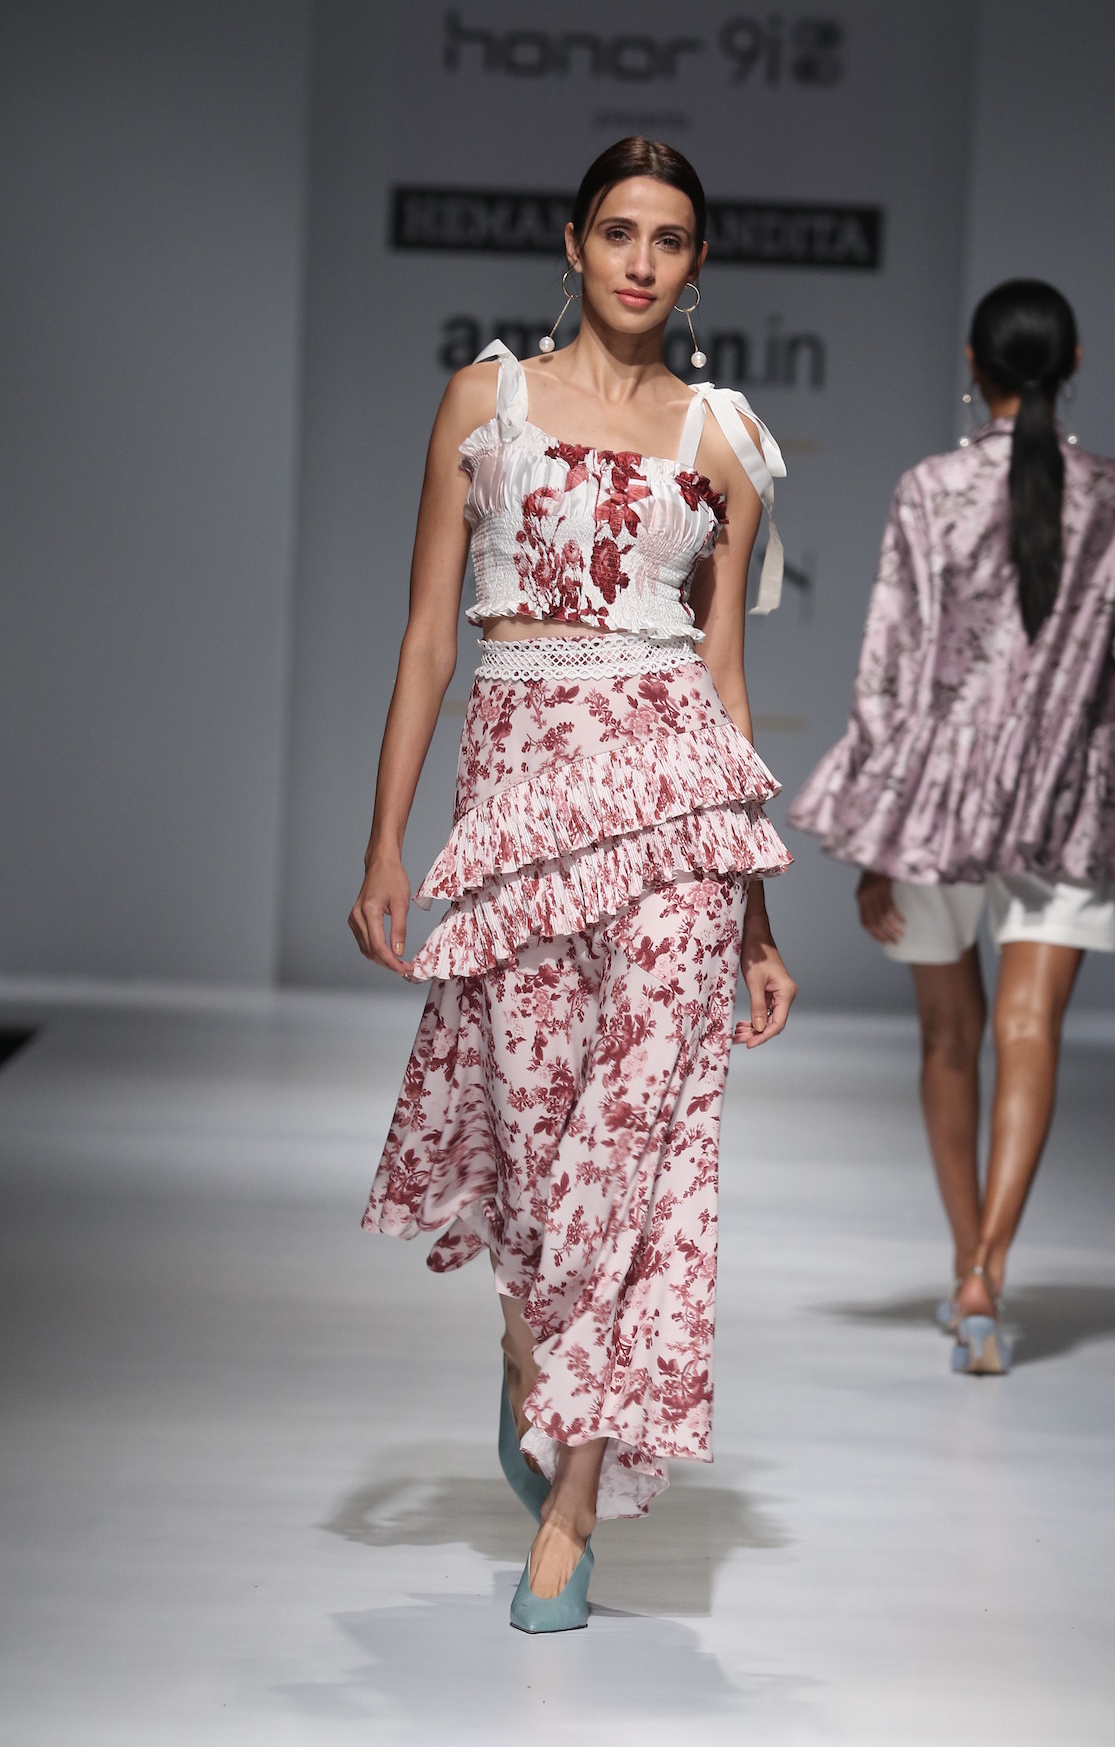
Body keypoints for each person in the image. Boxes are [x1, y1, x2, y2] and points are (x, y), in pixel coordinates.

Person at [349, 137, 797, 1632]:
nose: (641, 261)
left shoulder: (723, 437)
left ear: (697, 264)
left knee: (639, 1155)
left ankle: (575, 1507)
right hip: (520, 812)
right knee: (540, 1149)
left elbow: (726, 680)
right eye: (619, 231)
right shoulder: (487, 403)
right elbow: (429, 637)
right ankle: (529, 1358)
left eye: (669, 239)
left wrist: (755, 911)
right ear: (573, 243)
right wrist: (386, 843)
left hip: (676, 817)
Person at [790, 279, 1115, 1375]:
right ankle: (987, 1272)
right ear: (1074, 362)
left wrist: (875, 833)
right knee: (1029, 1030)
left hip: (939, 799)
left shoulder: (929, 490)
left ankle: (966, 1265)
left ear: (974, 366)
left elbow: (891, 666)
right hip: (1069, 797)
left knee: (947, 1035)